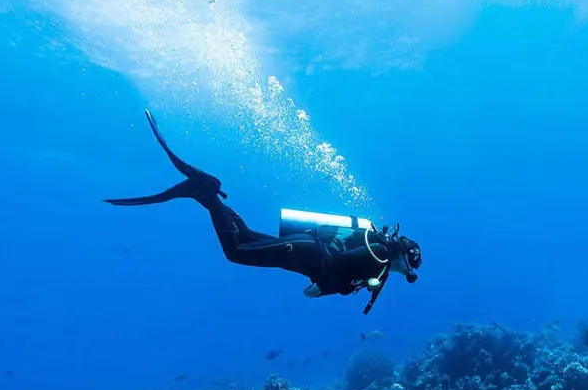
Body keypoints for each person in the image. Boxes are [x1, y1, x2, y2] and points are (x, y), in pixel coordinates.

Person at [104, 109, 422, 314]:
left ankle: (203, 194)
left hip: (303, 250)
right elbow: (340, 263)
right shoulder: (378, 254)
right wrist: (323, 288)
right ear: (402, 258)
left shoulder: (379, 259)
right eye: (406, 266)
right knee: (237, 251)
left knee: (244, 236)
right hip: (305, 253)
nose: (403, 272)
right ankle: (206, 192)